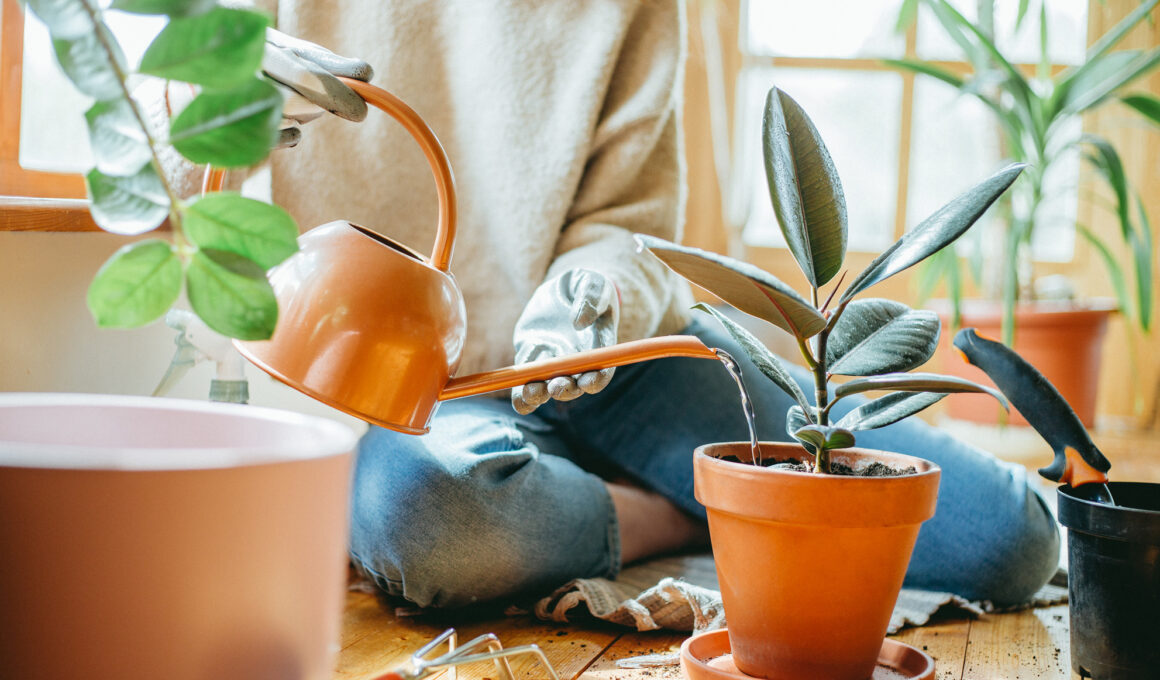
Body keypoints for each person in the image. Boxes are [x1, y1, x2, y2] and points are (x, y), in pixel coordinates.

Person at [223, 0, 1060, 611]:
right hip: (424, 388)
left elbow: (630, 226)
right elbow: (160, 162)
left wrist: (593, 301)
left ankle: (667, 486)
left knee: (1007, 540)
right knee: (426, 520)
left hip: (615, 357)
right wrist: (218, 86)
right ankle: (682, 511)